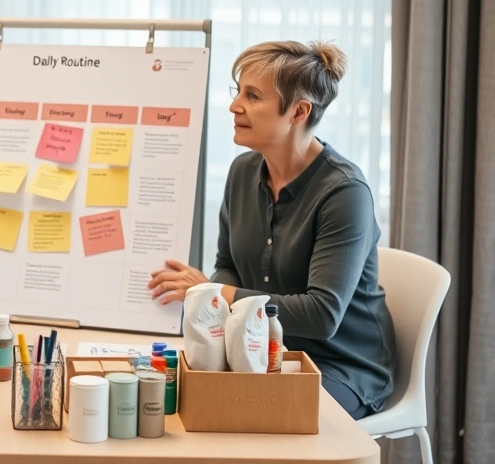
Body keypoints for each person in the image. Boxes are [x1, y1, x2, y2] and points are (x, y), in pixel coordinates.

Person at [147, 40, 396, 419]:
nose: (234, 106)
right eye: (237, 91)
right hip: (256, 351)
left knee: (243, 418)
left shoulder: (345, 193)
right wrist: (212, 307)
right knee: (183, 403)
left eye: (252, 96)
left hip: (339, 366)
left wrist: (212, 291)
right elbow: (228, 264)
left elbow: (321, 315)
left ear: (299, 111)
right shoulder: (241, 172)